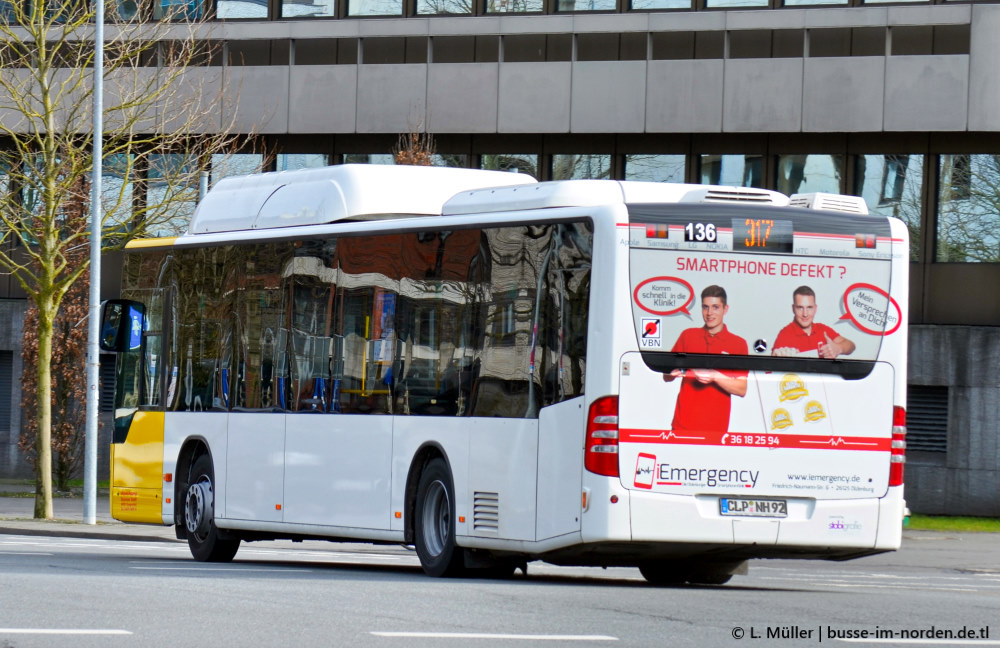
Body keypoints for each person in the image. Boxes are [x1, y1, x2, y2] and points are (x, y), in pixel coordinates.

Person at [663, 285, 748, 434]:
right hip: (682, 426)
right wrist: (672, 372)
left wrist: (714, 376)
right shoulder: (688, 336)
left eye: (715, 307)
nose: (709, 313)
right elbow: (666, 376)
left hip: (716, 429)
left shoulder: (738, 344)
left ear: (725, 309)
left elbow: (742, 389)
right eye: (705, 307)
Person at [772, 285, 855, 359]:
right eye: (800, 307)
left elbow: (851, 346)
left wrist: (838, 348)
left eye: (809, 307)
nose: (805, 314)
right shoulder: (785, 335)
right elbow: (771, 369)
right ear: (793, 308)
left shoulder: (823, 330)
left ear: (815, 308)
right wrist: (778, 358)